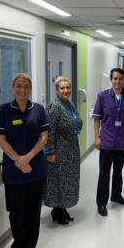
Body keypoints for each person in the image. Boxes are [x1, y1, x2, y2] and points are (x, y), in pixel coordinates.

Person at [0, 73, 49, 248]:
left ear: (30, 88)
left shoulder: (38, 109)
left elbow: (44, 137)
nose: (22, 90)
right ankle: (18, 243)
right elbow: (0, 139)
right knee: (16, 211)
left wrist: (29, 157)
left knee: (33, 211)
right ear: (12, 87)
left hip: (36, 170)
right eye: (18, 86)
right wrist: (18, 160)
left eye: (26, 86)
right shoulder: (4, 110)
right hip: (13, 170)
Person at [92, 68, 124, 217]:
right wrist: (96, 137)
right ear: (111, 80)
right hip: (106, 141)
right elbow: (97, 118)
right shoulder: (102, 96)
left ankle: (117, 196)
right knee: (104, 173)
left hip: (122, 142)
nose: (118, 81)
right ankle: (101, 203)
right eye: (115, 79)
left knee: (118, 171)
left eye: (120, 79)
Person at [44, 76, 82, 225]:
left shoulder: (69, 104)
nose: (66, 90)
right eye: (62, 88)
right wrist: (50, 152)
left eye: (68, 88)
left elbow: (75, 121)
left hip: (71, 150)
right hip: (59, 152)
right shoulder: (54, 107)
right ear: (56, 90)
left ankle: (62, 209)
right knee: (59, 181)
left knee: (68, 181)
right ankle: (57, 211)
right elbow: (49, 131)